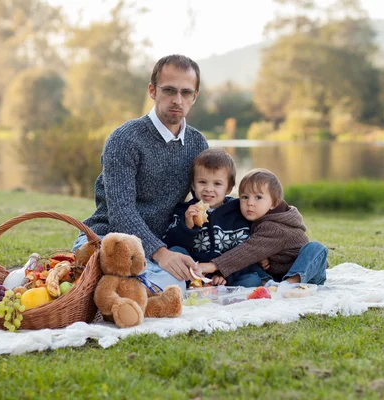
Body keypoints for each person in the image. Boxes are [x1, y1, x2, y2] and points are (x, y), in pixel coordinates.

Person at [72, 54, 208, 291]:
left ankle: (123, 289)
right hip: (110, 241)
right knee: (156, 279)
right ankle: (106, 284)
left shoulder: (198, 144)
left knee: (181, 278)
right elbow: (121, 213)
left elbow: (204, 205)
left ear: (194, 97)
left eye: (186, 93)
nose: (178, 99)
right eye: (169, 90)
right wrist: (162, 254)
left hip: (161, 247)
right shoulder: (124, 140)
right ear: (152, 91)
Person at [198, 168, 328, 287]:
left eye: (258, 197)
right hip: (275, 276)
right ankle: (271, 284)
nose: (250, 203)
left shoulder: (277, 227)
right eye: (244, 197)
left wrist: (213, 265)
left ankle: (291, 283)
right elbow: (246, 253)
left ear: (274, 203)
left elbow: (248, 250)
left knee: (316, 248)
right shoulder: (256, 218)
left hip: (307, 275)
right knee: (247, 264)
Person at [162, 148, 261, 287]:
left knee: (252, 280)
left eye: (217, 184)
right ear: (193, 185)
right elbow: (170, 243)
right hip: (195, 272)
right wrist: (187, 226)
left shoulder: (238, 211)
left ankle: (226, 291)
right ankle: (194, 284)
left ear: (228, 188)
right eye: (202, 182)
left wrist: (222, 273)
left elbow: (242, 252)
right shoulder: (183, 211)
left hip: (228, 274)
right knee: (175, 252)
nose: (209, 189)